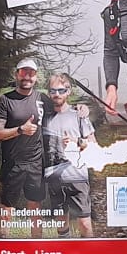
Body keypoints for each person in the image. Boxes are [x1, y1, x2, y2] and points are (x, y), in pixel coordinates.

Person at [40, 72, 96, 237]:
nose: (57, 94)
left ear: (69, 91)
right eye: (53, 91)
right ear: (49, 92)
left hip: (77, 177)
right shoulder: (44, 116)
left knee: (85, 224)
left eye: (61, 90)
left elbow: (93, 144)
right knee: (61, 226)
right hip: (54, 178)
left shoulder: (79, 115)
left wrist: (76, 141)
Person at [0, 58, 45, 217]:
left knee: (35, 207)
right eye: (23, 72)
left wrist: (82, 110)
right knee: (7, 209)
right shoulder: (6, 100)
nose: (27, 77)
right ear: (16, 75)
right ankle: (4, 240)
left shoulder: (42, 99)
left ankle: (36, 242)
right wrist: (20, 130)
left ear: (36, 77)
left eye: (31, 73)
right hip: (13, 164)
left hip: (36, 163)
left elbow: (62, 108)